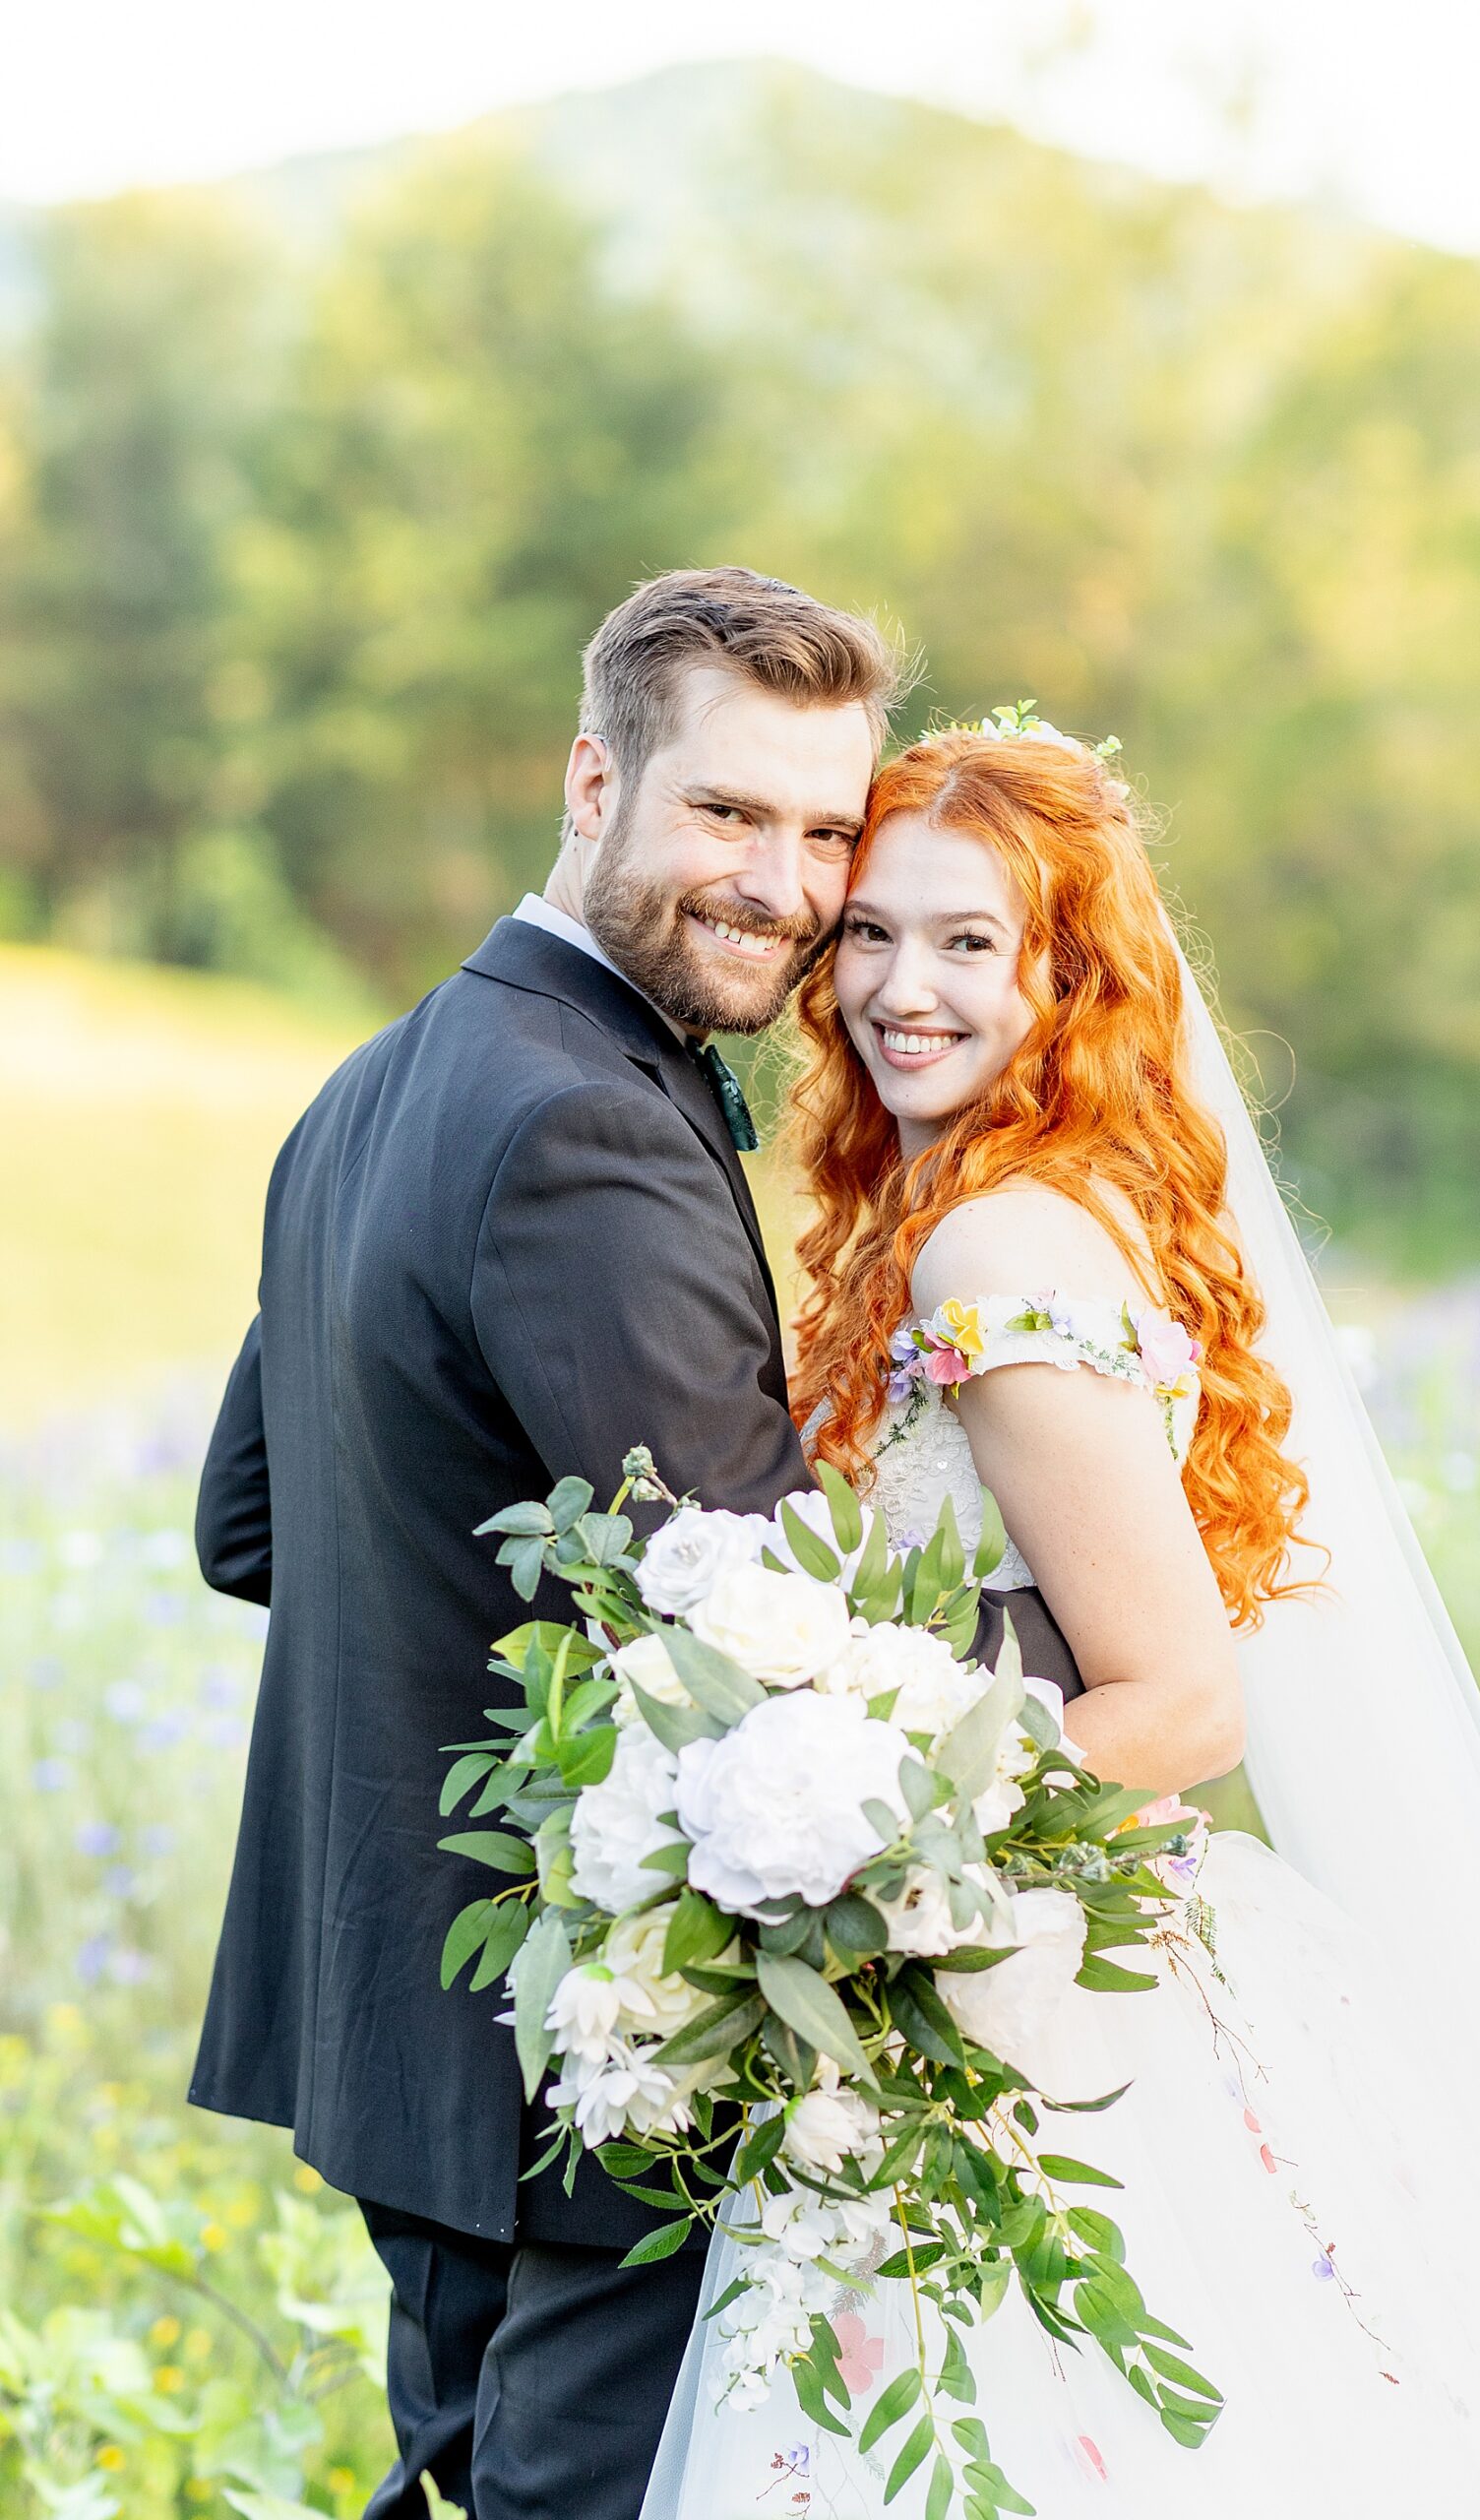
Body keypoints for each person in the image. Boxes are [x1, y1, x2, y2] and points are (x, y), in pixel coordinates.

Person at [639, 720, 1480, 2519]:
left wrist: (854, 1832)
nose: (900, 987)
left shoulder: (996, 1251)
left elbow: (1185, 1700)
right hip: (1039, 1942)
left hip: (1036, 1996)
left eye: (970, 944)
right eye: (871, 934)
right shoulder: (1004, 1206)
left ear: (1068, 974)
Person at [191, 566, 941, 2520]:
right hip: (576, 2070)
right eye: (725, 810)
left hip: (404, 2040)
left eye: (823, 828)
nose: (784, 883)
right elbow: (763, 1640)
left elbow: (246, 1521)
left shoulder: (376, 1081)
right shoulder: (577, 1123)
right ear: (592, 776)